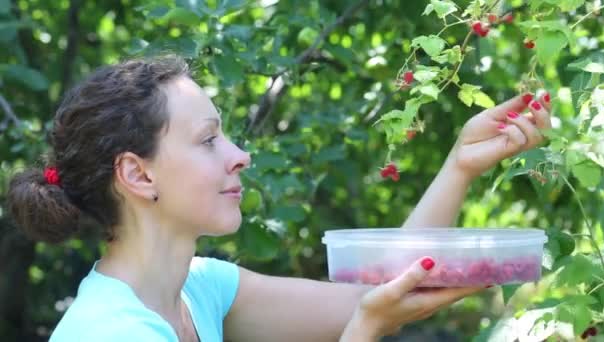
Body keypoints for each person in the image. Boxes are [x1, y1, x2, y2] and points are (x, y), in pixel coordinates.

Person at [6, 55, 552, 341]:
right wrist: (363, 330)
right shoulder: (112, 335)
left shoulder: (200, 290)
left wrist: (460, 164)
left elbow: (388, 287)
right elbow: (364, 316)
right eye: (208, 139)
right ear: (137, 175)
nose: (240, 154)